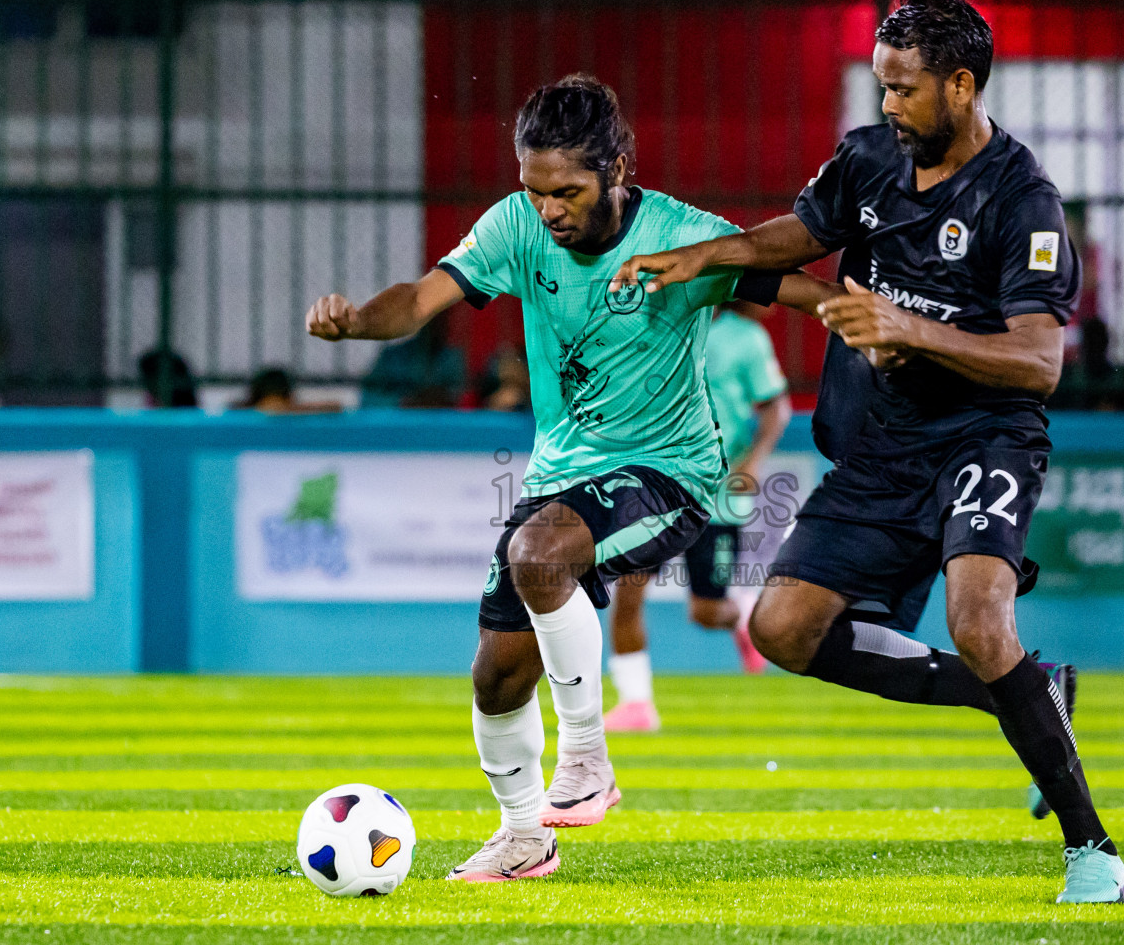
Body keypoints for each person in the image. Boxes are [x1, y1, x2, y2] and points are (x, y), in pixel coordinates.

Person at [609, 0, 1124, 904]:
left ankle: (1093, 854)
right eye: (880, 85)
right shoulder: (868, 160)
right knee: (780, 626)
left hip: (986, 436)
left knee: (980, 624)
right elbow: (800, 235)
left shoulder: (1024, 201)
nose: (887, 106)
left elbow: (1039, 361)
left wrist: (911, 329)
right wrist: (710, 254)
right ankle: (1020, 692)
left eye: (904, 89)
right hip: (883, 446)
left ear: (962, 85)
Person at [305, 75, 819, 883]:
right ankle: (523, 837)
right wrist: (359, 319)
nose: (549, 209)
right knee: (495, 674)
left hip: (671, 471)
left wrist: (871, 322)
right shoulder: (516, 226)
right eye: (535, 190)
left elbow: (789, 283)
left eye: (568, 191)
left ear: (617, 166)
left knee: (539, 556)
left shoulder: (682, 233)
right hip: (562, 474)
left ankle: (588, 761)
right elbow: (418, 301)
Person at [604, 299, 792, 732]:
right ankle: (637, 704)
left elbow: (776, 408)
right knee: (629, 588)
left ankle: (740, 615)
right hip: (654, 486)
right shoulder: (654, 326)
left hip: (718, 493)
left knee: (706, 613)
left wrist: (754, 462)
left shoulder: (745, 338)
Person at [360, 313, 467, 408]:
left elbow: (463, 400)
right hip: (398, 426)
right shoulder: (393, 357)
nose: (442, 323)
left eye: (445, 316)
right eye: (435, 316)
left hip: (442, 427)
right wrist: (404, 403)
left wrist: (440, 399)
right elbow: (368, 398)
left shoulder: (451, 359)